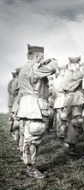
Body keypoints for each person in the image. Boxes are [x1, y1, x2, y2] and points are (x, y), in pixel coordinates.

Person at [17, 44, 58, 179]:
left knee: (29, 138)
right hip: (34, 107)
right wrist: (51, 60)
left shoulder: (24, 68)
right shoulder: (34, 67)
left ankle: (29, 163)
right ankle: (31, 167)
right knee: (33, 139)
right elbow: (53, 68)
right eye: (42, 57)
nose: (43, 59)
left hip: (27, 106)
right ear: (36, 56)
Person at [61, 56, 84, 156]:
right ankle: (71, 148)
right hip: (74, 100)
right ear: (71, 65)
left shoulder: (68, 73)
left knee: (72, 123)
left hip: (71, 100)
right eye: (76, 65)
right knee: (75, 123)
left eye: (78, 65)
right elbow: (83, 73)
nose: (77, 67)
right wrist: (83, 65)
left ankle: (70, 144)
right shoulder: (71, 73)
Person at [52, 65, 67, 144]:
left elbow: (53, 93)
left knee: (58, 120)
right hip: (63, 100)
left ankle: (59, 135)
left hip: (57, 101)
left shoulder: (55, 80)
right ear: (63, 71)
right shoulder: (63, 80)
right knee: (63, 120)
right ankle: (61, 137)